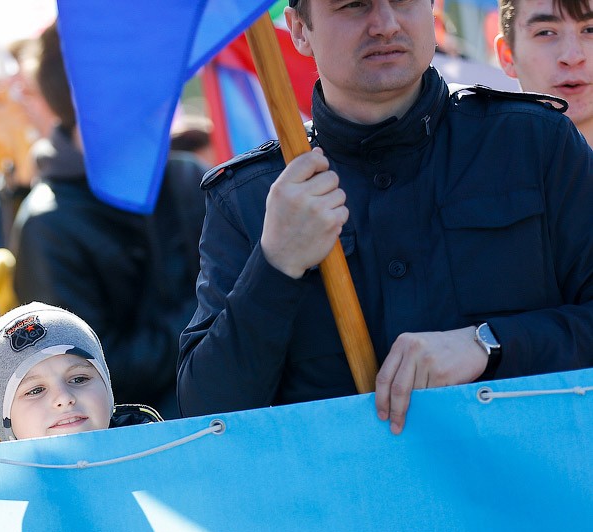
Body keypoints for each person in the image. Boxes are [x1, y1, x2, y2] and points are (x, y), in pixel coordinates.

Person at [177, 0, 593, 433]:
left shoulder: (533, 143)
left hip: (531, 486)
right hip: (344, 494)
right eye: (355, 6)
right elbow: (205, 413)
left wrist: (489, 344)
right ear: (300, 29)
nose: (385, 24)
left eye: (404, 1)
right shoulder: (248, 197)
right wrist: (275, 265)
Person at [10, 23, 207, 420]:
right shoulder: (47, 224)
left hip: (246, 410)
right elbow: (89, 374)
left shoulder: (187, 177)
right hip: (146, 442)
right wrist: (217, 309)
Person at [0, 303, 162, 466]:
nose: (63, 398)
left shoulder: (163, 454)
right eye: (35, 390)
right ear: (4, 420)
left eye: (79, 379)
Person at [495, 0, 593, 143]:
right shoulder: (468, 161)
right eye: (545, 32)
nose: (572, 57)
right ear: (507, 56)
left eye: (590, 30)